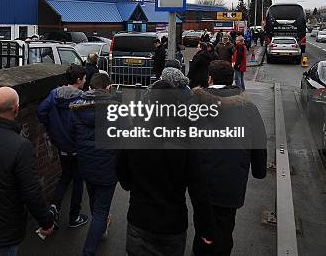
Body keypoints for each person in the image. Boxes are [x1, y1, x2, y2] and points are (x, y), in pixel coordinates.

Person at [118, 70, 214, 255]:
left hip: (140, 219)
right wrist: (206, 229)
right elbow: (198, 189)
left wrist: (131, 184)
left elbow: (122, 174)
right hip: (173, 223)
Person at [0, 87, 55, 255]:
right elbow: (31, 192)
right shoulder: (21, 146)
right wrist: (46, 221)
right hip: (5, 227)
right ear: (17, 109)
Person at [192, 61, 267, 255]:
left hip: (202, 179)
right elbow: (259, 140)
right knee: (225, 227)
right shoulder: (248, 107)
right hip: (232, 179)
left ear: (209, 78)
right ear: (232, 79)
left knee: (202, 224)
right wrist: (259, 171)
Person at [71, 73, 118, 256]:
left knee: (93, 199)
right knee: (101, 211)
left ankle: (99, 228)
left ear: (90, 88)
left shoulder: (77, 108)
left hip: (86, 163)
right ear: (108, 88)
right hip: (107, 165)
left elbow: (72, 133)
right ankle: (88, 250)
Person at [37, 65, 89, 229]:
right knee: (78, 180)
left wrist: (52, 127)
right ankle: (74, 216)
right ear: (79, 79)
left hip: (61, 144)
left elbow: (41, 111)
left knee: (66, 175)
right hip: (77, 146)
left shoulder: (54, 94)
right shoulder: (82, 98)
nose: (85, 81)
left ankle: (54, 207)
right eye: (84, 78)